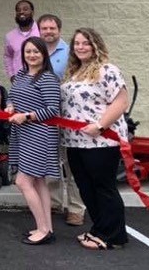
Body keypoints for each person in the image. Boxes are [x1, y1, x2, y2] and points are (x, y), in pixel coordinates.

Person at [61, 28, 129, 251]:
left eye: (86, 43)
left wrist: (100, 125)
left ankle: (113, 236)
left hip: (101, 141)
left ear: (95, 45)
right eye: (77, 43)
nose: (80, 47)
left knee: (103, 187)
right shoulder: (74, 72)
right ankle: (99, 229)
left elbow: (120, 102)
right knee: (86, 188)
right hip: (75, 141)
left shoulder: (107, 69)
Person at [6, 36, 61, 245]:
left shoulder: (47, 78)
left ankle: (43, 230)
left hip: (40, 134)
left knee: (22, 181)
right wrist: (11, 106)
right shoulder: (21, 74)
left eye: (36, 51)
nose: (31, 55)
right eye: (28, 51)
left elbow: (52, 109)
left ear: (44, 54)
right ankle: (47, 227)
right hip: (23, 134)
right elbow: (12, 95)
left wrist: (27, 116)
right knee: (38, 182)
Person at [39, 13, 85, 227]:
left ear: (59, 30)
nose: (48, 32)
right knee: (49, 162)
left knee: (72, 163)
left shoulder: (71, 53)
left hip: (68, 116)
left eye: (52, 28)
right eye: (44, 28)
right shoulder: (35, 51)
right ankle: (53, 202)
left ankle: (76, 208)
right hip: (44, 117)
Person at [3, 0, 40, 83]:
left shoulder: (41, 31)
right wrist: (12, 75)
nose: (21, 12)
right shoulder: (10, 36)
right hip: (19, 81)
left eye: (25, 9)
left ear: (32, 12)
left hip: (40, 79)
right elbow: (8, 56)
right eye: (18, 10)